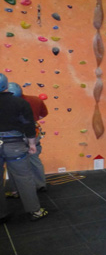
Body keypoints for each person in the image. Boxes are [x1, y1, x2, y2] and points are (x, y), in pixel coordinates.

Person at [0, 73, 48, 223]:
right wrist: (32, 145)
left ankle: (1, 214)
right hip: (14, 145)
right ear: (7, 86)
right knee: (24, 178)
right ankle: (35, 211)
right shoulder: (20, 103)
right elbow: (28, 126)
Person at [6, 82, 48, 196]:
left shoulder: (8, 103)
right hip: (33, 132)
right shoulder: (35, 100)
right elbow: (43, 114)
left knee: (14, 162)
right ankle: (40, 185)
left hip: (15, 135)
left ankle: (17, 190)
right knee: (34, 158)